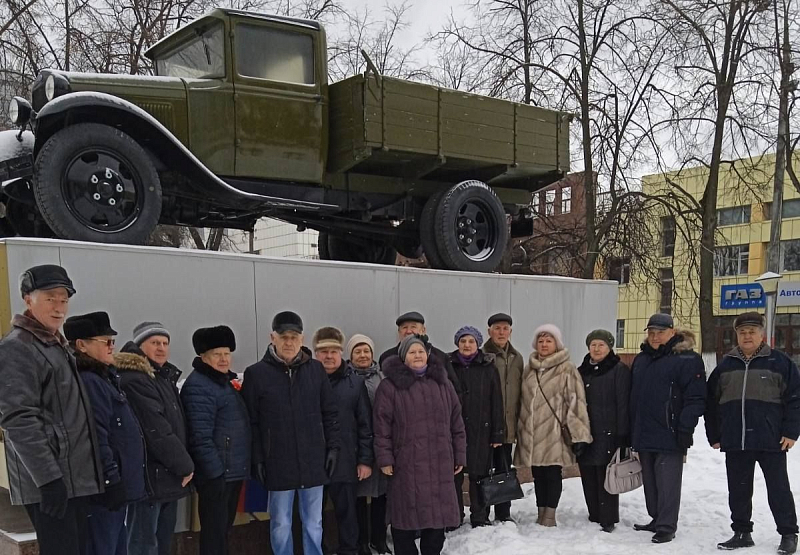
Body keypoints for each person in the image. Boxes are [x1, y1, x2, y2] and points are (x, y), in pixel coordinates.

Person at [0, 265, 103, 555]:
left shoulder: (56, 345)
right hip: (52, 480)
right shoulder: (17, 347)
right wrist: (48, 479)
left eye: (64, 300)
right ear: (27, 299)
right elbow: (18, 418)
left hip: (74, 478)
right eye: (50, 298)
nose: (59, 308)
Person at [241, 311, 342, 555]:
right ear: (272, 337)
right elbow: (251, 422)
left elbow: (330, 413)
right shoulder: (256, 374)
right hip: (277, 463)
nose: (289, 342)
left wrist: (333, 448)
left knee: (313, 523)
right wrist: (257, 458)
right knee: (280, 524)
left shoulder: (316, 370)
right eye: (283, 336)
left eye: (294, 337)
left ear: (302, 339)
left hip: (313, 461)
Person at [706, 312, 800, 554]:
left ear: (762, 334)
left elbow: (795, 400)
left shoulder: (780, 363)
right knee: (738, 488)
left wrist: (791, 431)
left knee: (778, 488)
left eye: (752, 331)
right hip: (736, 439)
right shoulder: (725, 365)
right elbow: (711, 403)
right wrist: (715, 435)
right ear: (736, 335)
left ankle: (789, 533)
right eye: (742, 332)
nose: (747, 336)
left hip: (771, 439)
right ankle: (741, 532)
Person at [373, 334, 466, 555]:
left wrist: (460, 455)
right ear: (403, 357)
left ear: (428, 355)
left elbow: (457, 422)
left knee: (436, 520)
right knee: (404, 518)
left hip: (440, 462)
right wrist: (384, 458)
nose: (417, 355)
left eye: (421, 351)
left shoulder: (443, 384)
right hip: (406, 463)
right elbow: (381, 426)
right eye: (412, 352)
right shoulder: (389, 387)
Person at [66, 311, 148, 555]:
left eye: (113, 341)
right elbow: (97, 436)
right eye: (106, 342)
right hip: (103, 492)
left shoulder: (104, 377)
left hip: (116, 488)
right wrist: (111, 479)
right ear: (82, 345)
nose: (113, 347)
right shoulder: (90, 381)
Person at [117, 321, 195, 555]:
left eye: (165, 343)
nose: (161, 348)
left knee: (161, 541)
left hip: (166, 474)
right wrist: (184, 465)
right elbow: (157, 431)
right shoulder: (135, 379)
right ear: (140, 347)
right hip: (149, 477)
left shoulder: (161, 377)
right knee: (143, 542)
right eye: (154, 343)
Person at [629, 313, 706, 544]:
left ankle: (666, 525)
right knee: (651, 481)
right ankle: (656, 517)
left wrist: (685, 428)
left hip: (670, 431)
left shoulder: (687, 359)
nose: (654, 337)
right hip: (644, 430)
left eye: (660, 332)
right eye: (651, 332)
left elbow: (696, 398)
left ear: (672, 332)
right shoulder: (642, 359)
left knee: (668, 482)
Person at [181, 325, 251, 555]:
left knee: (222, 531)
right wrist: (215, 473)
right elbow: (200, 437)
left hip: (229, 471)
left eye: (227, 353)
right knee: (214, 533)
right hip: (217, 475)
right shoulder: (199, 386)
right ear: (203, 357)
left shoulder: (221, 382)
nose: (223, 359)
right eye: (216, 354)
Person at [514, 324, 592, 528]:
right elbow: (522, 401)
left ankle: (550, 514)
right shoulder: (529, 368)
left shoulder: (567, 368)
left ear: (556, 344)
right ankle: (540, 511)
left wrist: (579, 434)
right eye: (541, 341)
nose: (544, 344)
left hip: (554, 433)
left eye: (549, 340)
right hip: (532, 432)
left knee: (552, 473)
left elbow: (576, 402)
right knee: (537, 474)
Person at [313, 327, 373, 555]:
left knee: (347, 514)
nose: (329, 356)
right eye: (323, 351)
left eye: (333, 351)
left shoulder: (355, 384)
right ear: (316, 354)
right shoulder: (306, 381)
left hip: (346, 460)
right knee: (313, 516)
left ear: (341, 353)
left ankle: (349, 550)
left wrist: (365, 460)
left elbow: (365, 425)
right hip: (313, 462)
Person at [449, 325, 504, 528]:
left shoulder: (488, 367)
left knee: (479, 474)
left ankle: (479, 515)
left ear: (478, 344)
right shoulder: (449, 365)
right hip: (454, 429)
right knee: (453, 474)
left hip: (482, 428)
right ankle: (454, 516)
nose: (467, 345)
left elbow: (496, 400)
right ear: (457, 343)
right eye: (463, 341)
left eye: (471, 341)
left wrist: (498, 433)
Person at [576, 329, 631, 533]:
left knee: (607, 476)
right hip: (585, 431)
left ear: (609, 347)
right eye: (593, 345)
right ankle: (594, 513)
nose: (597, 349)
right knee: (588, 473)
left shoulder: (618, 370)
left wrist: (623, 434)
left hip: (609, 431)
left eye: (601, 345)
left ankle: (607, 518)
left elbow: (623, 404)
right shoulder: (581, 371)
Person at [346, 334, 391, 555]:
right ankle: (362, 541)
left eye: (366, 351)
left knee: (381, 495)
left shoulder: (382, 378)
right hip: (356, 448)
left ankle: (379, 539)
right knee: (358, 498)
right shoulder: (345, 378)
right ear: (350, 355)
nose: (362, 355)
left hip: (380, 445)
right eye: (357, 351)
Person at [482, 312, 524, 523]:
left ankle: (503, 512)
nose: (501, 332)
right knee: (484, 470)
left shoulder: (517, 358)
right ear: (489, 331)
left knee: (504, 469)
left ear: (510, 331)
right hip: (487, 425)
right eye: (496, 328)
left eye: (505, 328)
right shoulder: (483, 356)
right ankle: (482, 512)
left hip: (508, 426)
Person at [378, 311, 462, 395]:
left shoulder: (440, 357)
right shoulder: (387, 358)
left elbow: (454, 391)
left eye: (413, 327)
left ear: (423, 330)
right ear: (399, 332)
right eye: (404, 327)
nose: (409, 331)